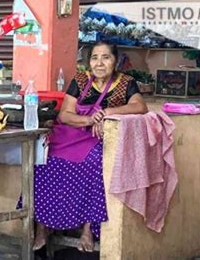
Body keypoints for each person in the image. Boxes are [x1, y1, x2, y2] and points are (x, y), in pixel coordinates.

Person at [31, 40, 148, 252]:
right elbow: (65, 114)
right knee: (42, 159)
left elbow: (140, 106)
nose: (100, 63)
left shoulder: (125, 82)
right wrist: (89, 120)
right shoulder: (80, 80)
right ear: (89, 62)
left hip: (97, 139)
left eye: (106, 57)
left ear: (116, 61)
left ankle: (88, 230)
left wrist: (108, 113)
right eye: (95, 58)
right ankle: (42, 228)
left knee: (95, 163)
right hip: (70, 134)